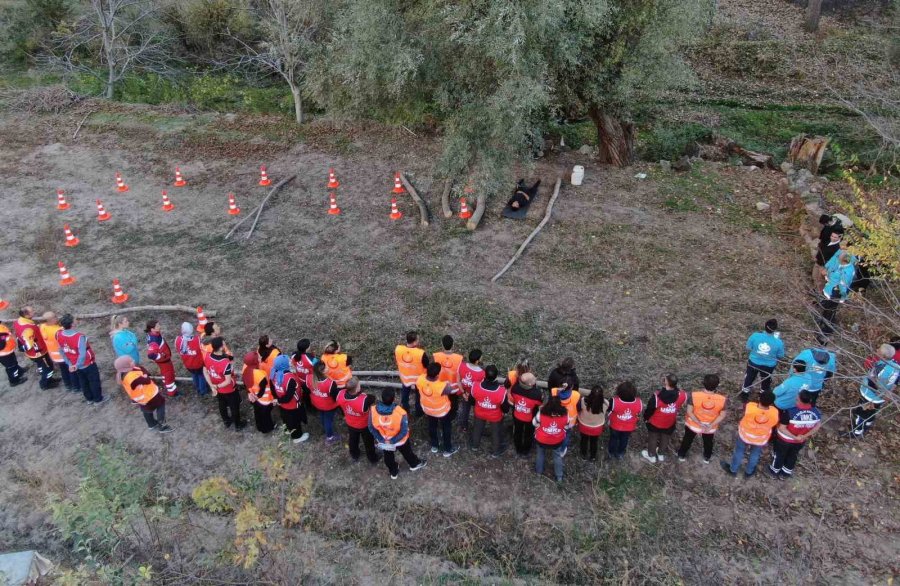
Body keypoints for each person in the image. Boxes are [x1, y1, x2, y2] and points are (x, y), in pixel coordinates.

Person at [369, 388, 427, 479]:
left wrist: (382, 439)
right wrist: (392, 441)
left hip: (385, 440)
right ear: (393, 399)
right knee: (407, 452)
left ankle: (393, 472)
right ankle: (414, 464)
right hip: (400, 440)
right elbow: (404, 431)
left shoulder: (372, 410)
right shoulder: (400, 412)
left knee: (388, 456)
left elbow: (371, 427)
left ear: (382, 398)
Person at [721, 391, 778, 477]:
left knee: (739, 451)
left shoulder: (750, 406)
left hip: (745, 435)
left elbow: (744, 409)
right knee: (755, 454)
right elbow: (774, 423)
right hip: (760, 438)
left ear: (759, 399)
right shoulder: (774, 412)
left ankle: (733, 470)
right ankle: (749, 472)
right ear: (772, 403)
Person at [849, 344, 899, 438]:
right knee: (872, 412)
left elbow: (874, 385)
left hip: (870, 396)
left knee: (861, 413)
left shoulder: (880, 369)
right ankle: (868, 424)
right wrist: (889, 392)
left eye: (878, 350)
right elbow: (896, 381)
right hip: (880, 399)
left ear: (883, 356)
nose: (876, 350)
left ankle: (856, 432)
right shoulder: (896, 366)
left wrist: (868, 378)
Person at [770, 390, 822, 479]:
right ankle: (785, 473)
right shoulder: (816, 412)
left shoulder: (790, 412)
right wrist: (804, 436)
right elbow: (817, 426)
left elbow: (782, 428)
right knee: (792, 455)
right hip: (800, 441)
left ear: (799, 399)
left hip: (784, 440)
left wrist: (794, 437)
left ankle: (774, 471)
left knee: (779, 455)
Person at [114, 355, 172, 433]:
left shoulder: (123, 374)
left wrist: (143, 373)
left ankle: (151, 424)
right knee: (161, 404)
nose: (133, 361)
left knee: (147, 409)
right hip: (150, 396)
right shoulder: (132, 377)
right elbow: (147, 380)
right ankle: (162, 426)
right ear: (126, 366)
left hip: (141, 398)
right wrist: (145, 375)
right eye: (131, 361)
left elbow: (142, 372)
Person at [677, 374, 727, 464]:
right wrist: (711, 425)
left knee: (687, 439)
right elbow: (722, 415)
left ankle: (681, 455)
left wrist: (699, 423)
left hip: (693, 425)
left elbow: (689, 411)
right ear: (718, 385)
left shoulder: (694, 395)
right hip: (709, 427)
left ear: (703, 383)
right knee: (708, 442)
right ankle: (707, 457)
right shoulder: (722, 399)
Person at [57, 314, 106, 404]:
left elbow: (61, 351)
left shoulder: (59, 334)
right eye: (75, 319)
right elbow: (82, 354)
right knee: (94, 381)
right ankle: (98, 399)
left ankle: (89, 399)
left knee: (83, 382)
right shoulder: (79, 337)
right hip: (87, 364)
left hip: (74, 364)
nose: (76, 320)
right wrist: (77, 365)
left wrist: (70, 364)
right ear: (72, 324)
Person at [642, 374, 687, 463]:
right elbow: (683, 402)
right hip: (669, 422)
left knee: (653, 438)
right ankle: (661, 454)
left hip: (655, 423)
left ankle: (651, 455)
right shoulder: (682, 395)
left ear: (666, 382)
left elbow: (650, 409)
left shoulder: (656, 396)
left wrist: (646, 418)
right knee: (665, 438)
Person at [416, 362, 458, 457]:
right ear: (438, 374)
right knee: (446, 428)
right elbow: (450, 391)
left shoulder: (420, 379)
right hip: (442, 411)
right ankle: (448, 448)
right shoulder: (442, 386)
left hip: (428, 410)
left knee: (432, 426)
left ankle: (434, 445)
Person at [740, 319, 785, 402]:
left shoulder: (755, 336)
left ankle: (745, 393)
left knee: (749, 377)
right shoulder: (779, 342)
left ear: (765, 326)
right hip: (769, 366)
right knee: (766, 379)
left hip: (753, 363)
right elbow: (780, 356)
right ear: (775, 330)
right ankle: (763, 393)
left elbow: (748, 347)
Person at [203, 337, 243, 430]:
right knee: (234, 407)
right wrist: (216, 386)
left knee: (222, 404)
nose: (225, 346)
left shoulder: (207, 356)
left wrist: (212, 386)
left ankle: (226, 421)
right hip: (228, 389)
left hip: (217, 388)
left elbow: (205, 371)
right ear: (221, 348)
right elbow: (227, 381)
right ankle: (238, 425)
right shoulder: (225, 363)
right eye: (224, 344)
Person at [14, 306, 58, 389]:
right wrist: (23, 348)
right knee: (48, 367)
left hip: (34, 354)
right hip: (39, 353)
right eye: (31, 311)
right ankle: (45, 384)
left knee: (41, 366)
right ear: (26, 315)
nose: (34, 312)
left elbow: (18, 335)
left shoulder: (18, 321)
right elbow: (28, 344)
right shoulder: (28, 328)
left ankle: (48, 379)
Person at [336, 377, 378, 463]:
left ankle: (354, 454)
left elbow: (340, 405)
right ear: (357, 389)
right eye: (359, 385)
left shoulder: (340, 394)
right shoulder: (364, 400)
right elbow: (373, 398)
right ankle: (372, 458)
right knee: (368, 442)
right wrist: (362, 394)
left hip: (350, 423)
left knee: (353, 439)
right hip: (364, 425)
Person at [470, 365, 508, 457]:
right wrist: (504, 412)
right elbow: (505, 408)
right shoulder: (502, 391)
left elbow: (471, 401)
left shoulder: (475, 386)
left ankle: (474, 446)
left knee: (477, 429)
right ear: (496, 376)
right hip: (495, 416)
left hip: (479, 413)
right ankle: (496, 451)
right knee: (496, 433)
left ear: (485, 375)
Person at [272, 354, 309, 443]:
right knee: (295, 422)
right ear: (284, 365)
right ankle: (297, 437)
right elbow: (289, 397)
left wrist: (278, 400)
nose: (290, 362)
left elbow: (274, 388)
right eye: (288, 361)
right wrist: (278, 400)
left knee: (286, 419)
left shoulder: (274, 373)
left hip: (283, 405)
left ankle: (287, 430)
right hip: (293, 405)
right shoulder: (290, 378)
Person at [533, 395, 569, 483]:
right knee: (557, 456)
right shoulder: (565, 414)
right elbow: (567, 426)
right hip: (556, 441)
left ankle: (538, 472)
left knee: (540, 454)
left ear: (548, 403)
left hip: (541, 439)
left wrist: (540, 427)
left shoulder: (541, 412)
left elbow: (534, 422)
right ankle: (559, 476)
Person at [39, 312, 76, 393]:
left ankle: (67, 385)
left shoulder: (43, 327)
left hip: (53, 355)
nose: (57, 317)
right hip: (64, 355)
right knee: (71, 369)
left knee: (63, 370)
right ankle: (74, 386)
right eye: (55, 317)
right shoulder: (58, 331)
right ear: (50, 320)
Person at [395, 331, 429, 416]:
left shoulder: (398, 349)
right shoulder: (421, 353)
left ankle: (405, 410)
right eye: (417, 340)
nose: (418, 341)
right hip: (419, 379)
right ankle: (419, 412)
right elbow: (427, 365)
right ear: (414, 342)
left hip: (405, 378)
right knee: (419, 396)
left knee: (405, 395)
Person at [509, 372, 542, 456]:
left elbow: (512, 398)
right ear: (530, 384)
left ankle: (518, 449)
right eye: (534, 379)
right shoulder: (537, 394)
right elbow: (539, 404)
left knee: (517, 432)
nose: (535, 379)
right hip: (529, 418)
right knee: (528, 434)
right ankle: (526, 450)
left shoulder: (515, 389)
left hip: (517, 415)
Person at [608, 381, 642, 460]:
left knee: (613, 438)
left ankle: (611, 452)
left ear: (619, 391)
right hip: (629, 427)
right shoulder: (639, 402)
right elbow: (638, 412)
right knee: (624, 439)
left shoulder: (614, 401)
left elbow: (608, 409)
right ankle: (620, 453)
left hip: (615, 425)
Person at [242, 351, 274, 434]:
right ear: (255, 361)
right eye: (259, 358)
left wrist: (251, 394)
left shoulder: (245, 370)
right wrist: (258, 396)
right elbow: (263, 389)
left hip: (253, 397)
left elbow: (246, 384)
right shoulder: (260, 375)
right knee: (266, 415)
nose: (260, 358)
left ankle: (259, 426)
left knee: (257, 413)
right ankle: (267, 428)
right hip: (264, 399)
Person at [309, 361, 341, 443]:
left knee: (322, 415)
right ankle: (330, 437)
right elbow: (335, 396)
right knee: (328, 420)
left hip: (317, 403)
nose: (327, 368)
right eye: (326, 367)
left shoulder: (309, 378)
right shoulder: (330, 383)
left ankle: (325, 427)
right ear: (322, 371)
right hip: (328, 405)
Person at [145, 320, 177, 396]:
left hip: (164, 360)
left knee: (167, 373)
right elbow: (151, 355)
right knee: (168, 374)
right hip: (164, 361)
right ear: (152, 329)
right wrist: (162, 356)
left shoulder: (154, 334)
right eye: (157, 326)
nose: (160, 326)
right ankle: (172, 392)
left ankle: (167, 382)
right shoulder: (154, 340)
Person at [175, 323, 209, 396]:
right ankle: (203, 391)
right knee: (201, 376)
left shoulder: (177, 340)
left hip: (188, 365)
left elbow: (178, 350)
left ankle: (197, 388)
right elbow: (204, 350)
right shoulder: (197, 340)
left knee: (194, 375)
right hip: (199, 364)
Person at [432, 335, 463, 415]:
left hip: (440, 387)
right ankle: (452, 415)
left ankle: (442, 414)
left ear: (442, 344)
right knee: (453, 404)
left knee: (441, 402)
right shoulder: (459, 358)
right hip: (453, 388)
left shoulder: (436, 356)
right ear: (453, 345)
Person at [456, 349, 485, 432]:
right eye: (481, 357)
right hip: (474, 396)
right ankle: (477, 428)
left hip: (465, 393)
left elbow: (458, 380)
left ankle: (463, 426)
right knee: (477, 411)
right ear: (477, 361)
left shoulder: (461, 366)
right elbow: (480, 388)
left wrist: (463, 393)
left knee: (465, 410)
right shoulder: (482, 373)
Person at [577, 387, 607, 461]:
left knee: (584, 440)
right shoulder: (606, 403)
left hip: (584, 425)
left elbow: (578, 409)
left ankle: (583, 454)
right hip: (597, 427)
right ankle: (593, 456)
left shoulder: (583, 401)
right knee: (594, 442)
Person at [813, 226, 844, 291]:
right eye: (832, 236)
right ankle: (814, 289)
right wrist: (816, 257)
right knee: (814, 276)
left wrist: (827, 269)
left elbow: (834, 261)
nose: (832, 238)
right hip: (818, 262)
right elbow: (821, 250)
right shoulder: (827, 241)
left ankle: (819, 294)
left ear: (840, 237)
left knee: (821, 281)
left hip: (824, 266)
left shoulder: (837, 248)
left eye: (835, 237)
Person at [0, 322, 27, 387]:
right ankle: (14, 380)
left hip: (8, 350)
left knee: (14, 362)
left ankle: (19, 371)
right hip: (4, 354)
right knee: (11, 367)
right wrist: (3, 338)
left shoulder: (1, 326)